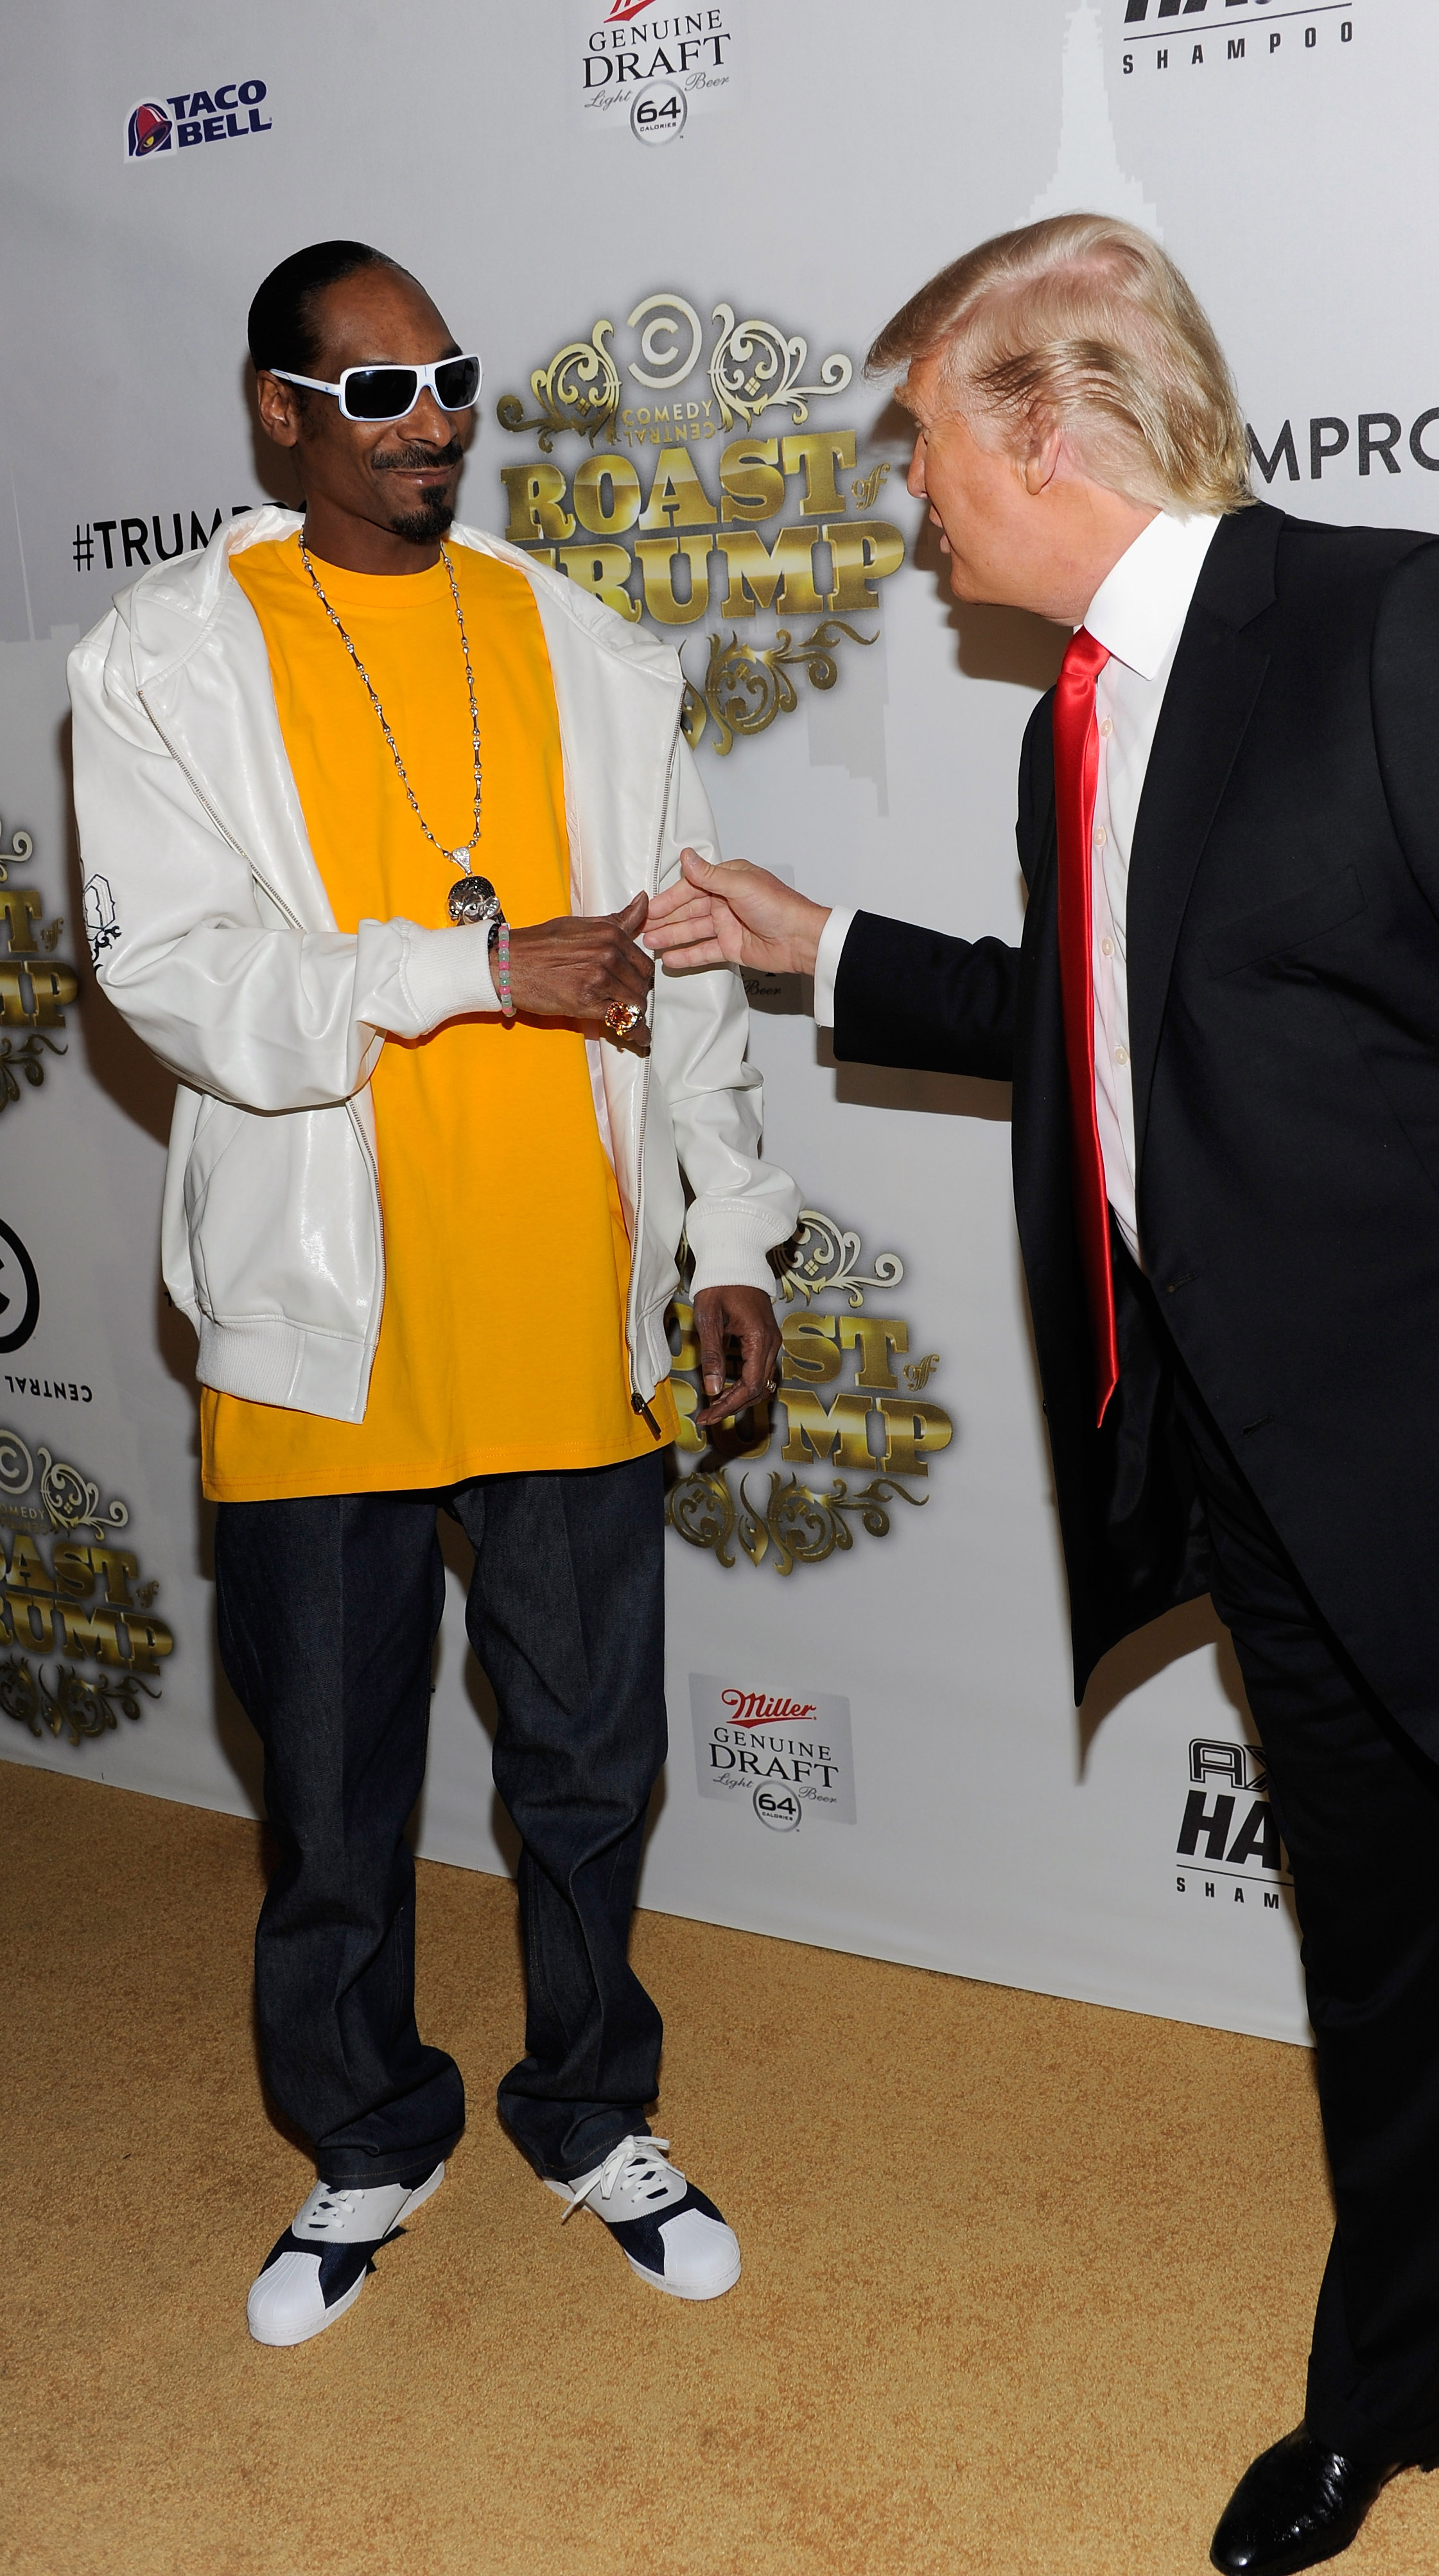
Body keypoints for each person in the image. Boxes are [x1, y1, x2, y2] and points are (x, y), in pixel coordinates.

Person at [645, 213, 1439, 2575]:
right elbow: (1124, 1030)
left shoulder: (1409, 625)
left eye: (934, 450)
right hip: (1280, 1503)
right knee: (1377, 1992)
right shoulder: (1078, 720)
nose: (919, 506)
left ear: (1051, 430)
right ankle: (1398, 2391)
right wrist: (822, 944)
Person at [69, 240, 799, 2349]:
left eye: (452, 380)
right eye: (374, 390)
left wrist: (728, 1229)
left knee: (587, 1760)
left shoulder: (585, 646)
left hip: (572, 1309)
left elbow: (686, 974)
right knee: (334, 1781)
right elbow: (180, 979)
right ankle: (367, 2131)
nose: (429, 422)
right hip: (320, 1322)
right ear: (276, 411)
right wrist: (464, 969)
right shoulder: (166, 659)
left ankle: (590, 2107)